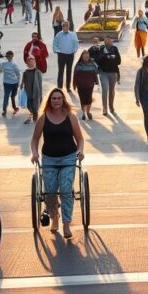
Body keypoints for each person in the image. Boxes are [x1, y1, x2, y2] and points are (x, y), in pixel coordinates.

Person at [29, 88, 85, 238]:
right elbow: (35, 139)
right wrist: (34, 153)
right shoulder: (43, 118)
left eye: (59, 98)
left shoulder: (71, 117)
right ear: (49, 100)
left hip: (68, 157)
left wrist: (80, 151)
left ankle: (66, 223)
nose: (56, 101)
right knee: (50, 191)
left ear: (63, 100)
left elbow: (80, 139)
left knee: (66, 189)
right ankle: (54, 218)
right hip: (49, 158)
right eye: (53, 98)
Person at [96, 36, 121, 115]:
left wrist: (110, 57)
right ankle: (105, 108)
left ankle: (111, 106)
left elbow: (119, 61)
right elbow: (98, 60)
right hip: (103, 73)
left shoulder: (115, 49)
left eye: (109, 40)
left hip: (113, 73)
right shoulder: (101, 49)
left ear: (112, 41)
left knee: (112, 90)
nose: (108, 42)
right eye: (106, 40)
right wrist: (106, 56)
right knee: (105, 90)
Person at [52, 21, 79, 92]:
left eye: (67, 26)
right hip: (61, 55)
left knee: (69, 71)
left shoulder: (73, 34)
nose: (65, 27)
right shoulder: (58, 35)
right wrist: (58, 51)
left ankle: (68, 86)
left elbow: (76, 43)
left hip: (70, 55)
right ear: (62, 27)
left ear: (68, 27)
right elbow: (55, 44)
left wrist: (74, 51)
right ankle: (59, 86)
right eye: (64, 26)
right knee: (60, 70)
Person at [73, 50, 99, 121]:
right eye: (84, 55)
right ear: (82, 57)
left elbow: (95, 74)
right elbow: (75, 76)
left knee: (89, 99)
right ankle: (83, 113)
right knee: (82, 99)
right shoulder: (78, 65)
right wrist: (74, 84)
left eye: (87, 55)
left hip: (90, 85)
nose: (86, 56)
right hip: (80, 86)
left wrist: (97, 82)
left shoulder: (92, 64)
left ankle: (88, 112)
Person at [21, 56, 43, 125]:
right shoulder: (26, 72)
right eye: (29, 62)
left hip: (36, 92)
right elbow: (23, 80)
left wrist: (41, 93)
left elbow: (40, 83)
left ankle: (35, 116)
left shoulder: (38, 72)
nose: (31, 63)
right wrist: (22, 84)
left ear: (34, 63)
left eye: (32, 61)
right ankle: (33, 113)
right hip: (28, 91)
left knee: (35, 106)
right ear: (27, 63)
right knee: (28, 105)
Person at [0, 50, 21, 117]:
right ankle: (14, 107)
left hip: (6, 82)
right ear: (12, 56)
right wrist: (18, 82)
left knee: (6, 96)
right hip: (13, 82)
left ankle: (4, 110)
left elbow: (1, 70)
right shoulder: (14, 64)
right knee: (13, 96)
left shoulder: (3, 63)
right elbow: (18, 74)